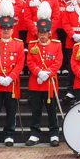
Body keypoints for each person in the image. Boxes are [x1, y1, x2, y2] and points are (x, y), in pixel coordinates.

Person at [0, 3, 27, 146]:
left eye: (8, 28)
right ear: (0, 28)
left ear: (12, 28)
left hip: (11, 82)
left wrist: (10, 77)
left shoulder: (19, 44)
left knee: (11, 110)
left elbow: (20, 63)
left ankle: (9, 134)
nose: (5, 31)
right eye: (3, 28)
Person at [25, 13, 63, 146]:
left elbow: (58, 61)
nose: (42, 35)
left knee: (52, 110)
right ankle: (35, 133)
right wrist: (38, 72)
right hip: (36, 82)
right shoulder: (32, 45)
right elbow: (30, 62)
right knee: (36, 110)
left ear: (49, 33)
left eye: (45, 32)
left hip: (50, 83)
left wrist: (48, 73)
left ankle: (54, 134)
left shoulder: (57, 45)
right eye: (40, 32)